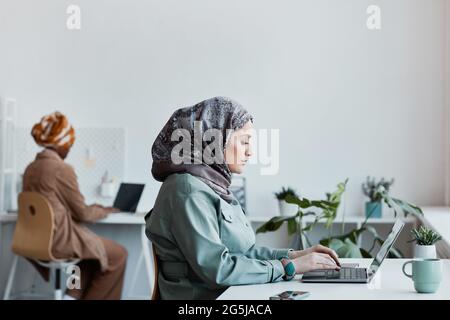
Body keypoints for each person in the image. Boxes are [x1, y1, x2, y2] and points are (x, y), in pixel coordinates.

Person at [145, 97, 340, 300]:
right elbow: (218, 270)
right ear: (215, 140)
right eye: (244, 141)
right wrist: (288, 267)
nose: (250, 152)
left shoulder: (214, 186)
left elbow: (242, 253)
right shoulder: (186, 189)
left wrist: (293, 256)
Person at [23, 111, 128, 300]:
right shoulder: (61, 169)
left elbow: (53, 204)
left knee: (89, 257)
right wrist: (103, 210)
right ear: (61, 143)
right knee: (118, 255)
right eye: (69, 145)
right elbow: (83, 214)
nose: (69, 149)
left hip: (36, 239)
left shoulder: (32, 168)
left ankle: (71, 296)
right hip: (58, 241)